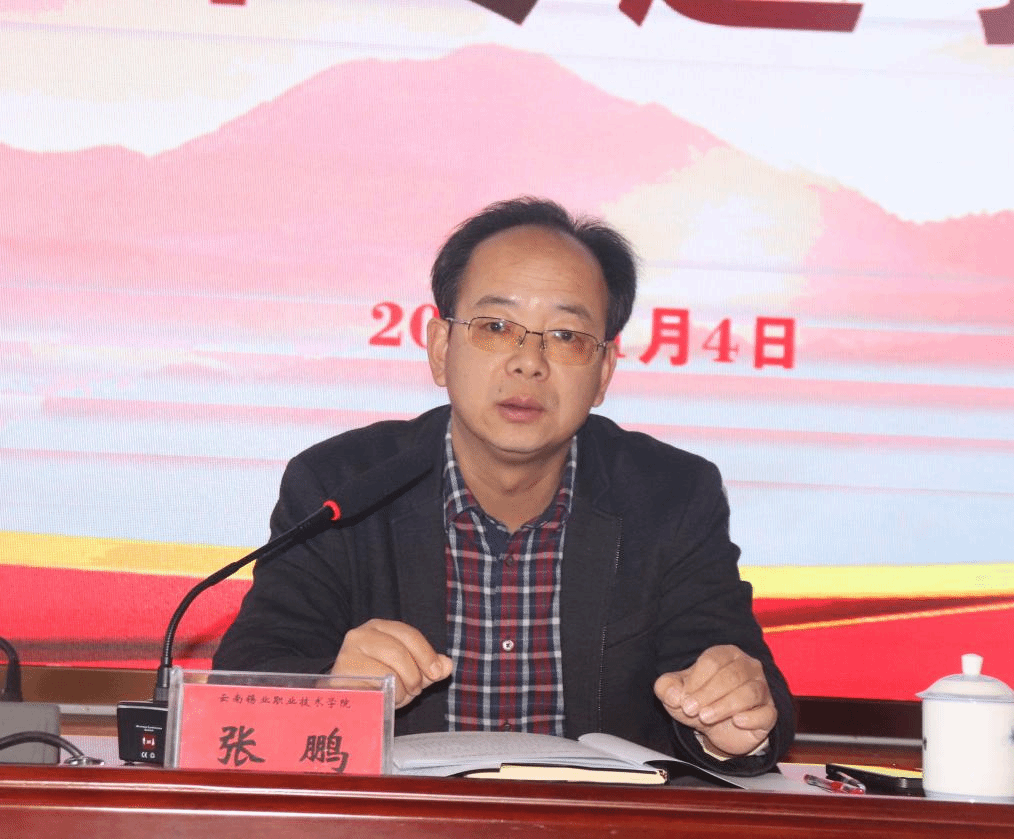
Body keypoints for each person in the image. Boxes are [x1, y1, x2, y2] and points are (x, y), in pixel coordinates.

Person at [213, 197, 794, 775]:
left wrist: (730, 727)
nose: (529, 363)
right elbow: (246, 684)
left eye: (566, 336)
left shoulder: (671, 495)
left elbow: (739, 681)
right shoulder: (341, 487)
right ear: (441, 349)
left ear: (603, 373)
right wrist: (333, 691)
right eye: (495, 327)